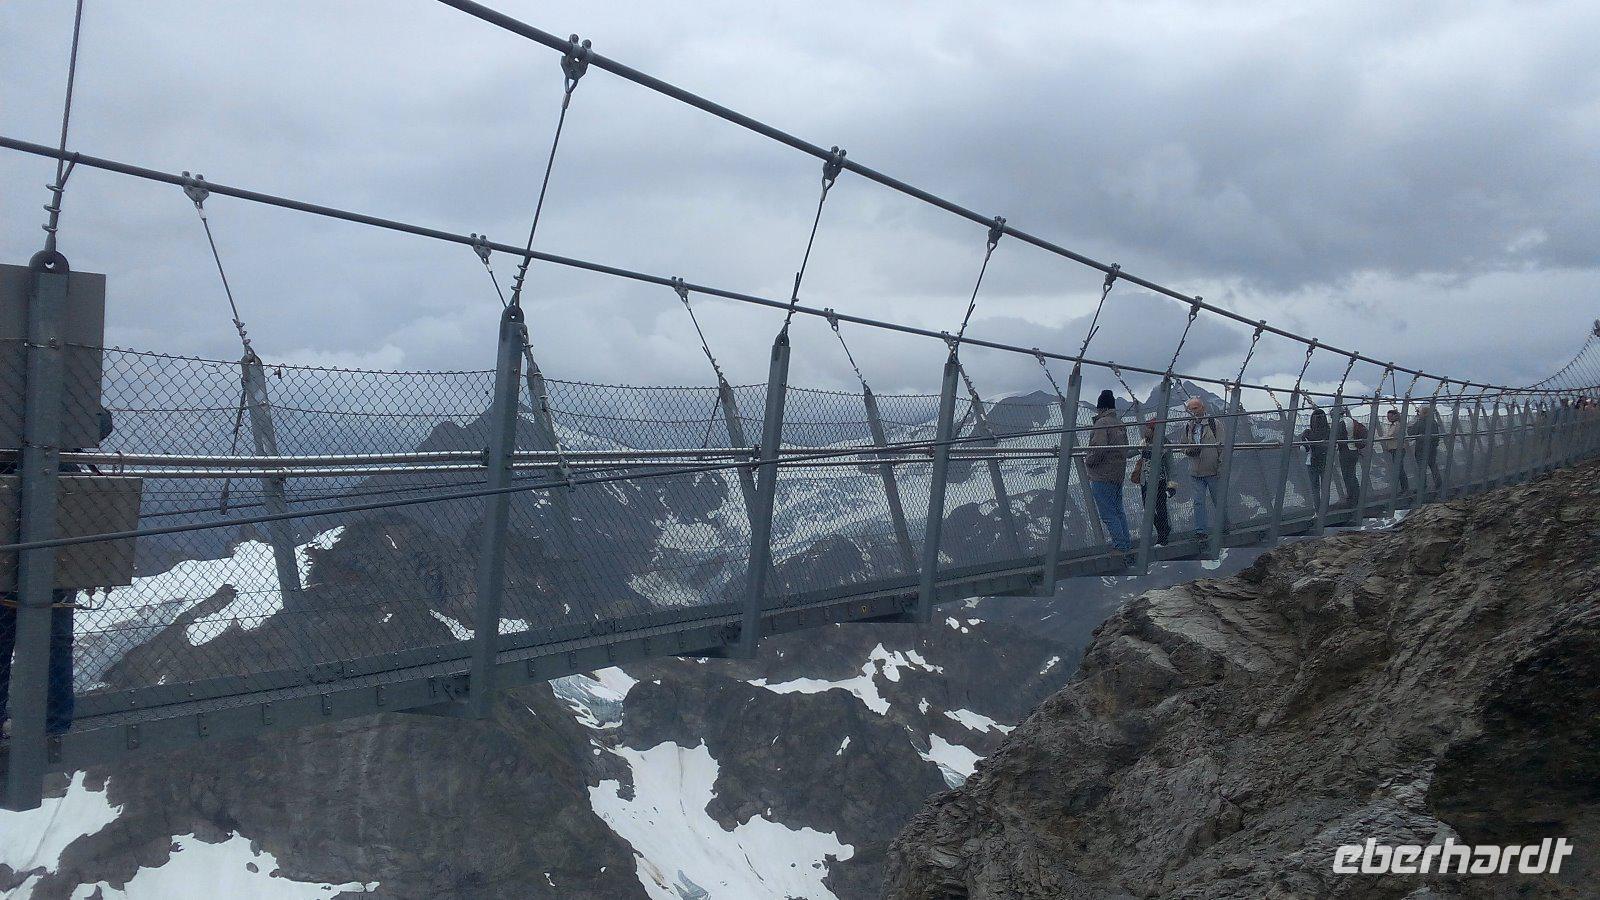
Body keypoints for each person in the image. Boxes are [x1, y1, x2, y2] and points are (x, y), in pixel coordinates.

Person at [0, 409, 110, 737]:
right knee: (56, 638)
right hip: (62, 511)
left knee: (12, 635)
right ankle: (55, 725)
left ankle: (51, 723)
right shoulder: (72, 398)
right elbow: (100, 422)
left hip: (14, 501)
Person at [1085, 389, 1134, 552]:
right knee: (1118, 511)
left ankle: (1120, 546)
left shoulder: (1102, 423)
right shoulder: (1120, 424)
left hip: (1102, 474)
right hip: (1117, 473)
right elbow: (1125, 449)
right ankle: (1125, 544)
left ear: (1101, 407)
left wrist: (1088, 460)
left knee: (1108, 514)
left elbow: (1098, 448)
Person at [1179, 397, 1220, 540]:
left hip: (1213, 469)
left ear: (1203, 408)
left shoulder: (1214, 424)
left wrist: (1221, 466)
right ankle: (1200, 531)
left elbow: (1223, 445)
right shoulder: (1188, 426)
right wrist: (1188, 451)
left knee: (1218, 500)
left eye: (1195, 408)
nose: (1193, 412)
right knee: (1198, 502)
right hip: (1195, 471)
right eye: (1191, 409)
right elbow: (1182, 445)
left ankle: (1224, 526)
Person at [1134, 420, 1170, 545]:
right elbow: (1129, 453)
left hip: (1159, 481)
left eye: (1149, 428)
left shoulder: (1164, 444)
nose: (1146, 431)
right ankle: (1163, 530)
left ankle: (1163, 536)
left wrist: (1172, 486)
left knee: (1160, 508)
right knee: (1149, 510)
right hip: (1145, 481)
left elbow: (1170, 466)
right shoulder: (1144, 443)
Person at [1409, 403, 1443, 496]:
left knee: (1421, 468)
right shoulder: (1433, 422)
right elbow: (1436, 436)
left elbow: (1411, 432)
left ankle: (1422, 487)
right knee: (1433, 465)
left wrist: (1413, 422)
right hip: (1432, 448)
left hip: (1421, 448)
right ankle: (1439, 484)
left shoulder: (1420, 422)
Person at [1332, 406, 1364, 506]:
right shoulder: (1351, 420)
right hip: (1354, 450)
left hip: (1345, 451)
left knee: (1347, 476)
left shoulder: (1340, 423)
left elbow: (1338, 437)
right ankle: (1357, 497)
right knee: (1352, 475)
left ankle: (1352, 498)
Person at [1377, 408, 1409, 496]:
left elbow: (1390, 435)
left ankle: (1405, 489)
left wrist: (1380, 438)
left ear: (1395, 416)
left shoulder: (1396, 425)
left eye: (1390, 416)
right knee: (1399, 469)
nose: (1388, 418)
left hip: (1397, 449)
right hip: (1396, 448)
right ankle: (1404, 489)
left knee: (1399, 469)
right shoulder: (1395, 424)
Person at [1301, 408, 1330, 503]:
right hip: (1326, 461)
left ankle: (1318, 508)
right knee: (1325, 487)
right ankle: (1325, 507)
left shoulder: (1308, 433)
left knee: (1315, 488)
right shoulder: (1329, 432)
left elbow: (1305, 449)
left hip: (1312, 462)